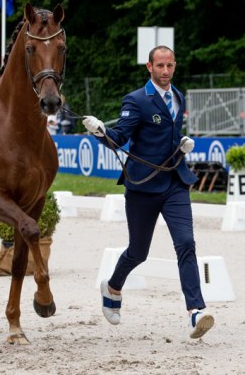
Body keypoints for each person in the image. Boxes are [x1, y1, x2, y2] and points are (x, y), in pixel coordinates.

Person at [82, 45, 214, 339]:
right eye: (160, 66)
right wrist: (100, 131)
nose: (165, 71)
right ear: (149, 67)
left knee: (186, 243)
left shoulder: (178, 95)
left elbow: (169, 132)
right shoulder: (137, 100)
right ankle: (113, 287)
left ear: (174, 66)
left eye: (169, 66)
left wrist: (181, 143)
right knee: (138, 252)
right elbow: (119, 138)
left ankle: (196, 312)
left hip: (175, 182)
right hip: (143, 186)